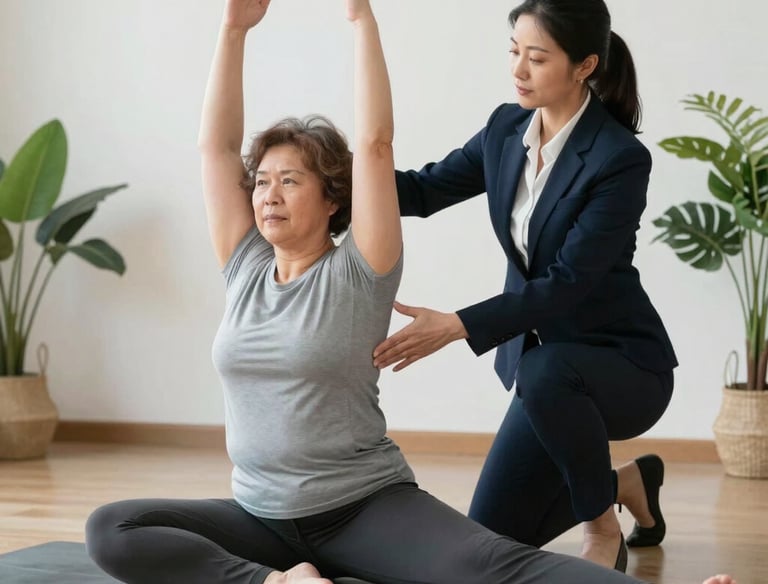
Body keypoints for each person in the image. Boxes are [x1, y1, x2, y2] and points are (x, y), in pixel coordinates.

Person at [83, 1, 736, 583]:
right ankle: (282, 583)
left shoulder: (358, 271)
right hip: (264, 516)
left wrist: (361, 17)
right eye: (262, 181)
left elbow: (376, 148)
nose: (268, 193)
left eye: (291, 181)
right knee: (112, 527)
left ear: (584, 64)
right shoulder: (245, 265)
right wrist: (232, 27)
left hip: (585, 370)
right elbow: (219, 149)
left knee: (493, 557)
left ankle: (602, 521)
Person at [371, 0, 678, 571]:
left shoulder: (618, 159)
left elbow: (569, 283)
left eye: (537, 58)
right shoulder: (505, 129)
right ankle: (628, 483)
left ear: (585, 66)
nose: (518, 69)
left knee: (544, 370)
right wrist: (329, 180)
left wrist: (458, 324)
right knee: (485, 544)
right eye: (515, 52)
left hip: (622, 368)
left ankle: (600, 526)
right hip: (549, 381)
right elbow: (422, 191)